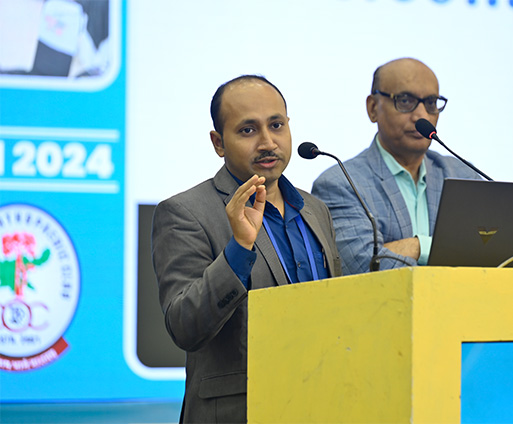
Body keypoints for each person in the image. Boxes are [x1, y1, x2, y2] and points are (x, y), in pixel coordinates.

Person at [151, 75, 342, 423]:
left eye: (277, 125)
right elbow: (184, 326)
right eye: (248, 130)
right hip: (240, 411)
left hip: (319, 402)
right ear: (218, 143)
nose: (268, 142)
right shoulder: (185, 212)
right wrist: (239, 248)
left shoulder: (315, 210)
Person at [312, 58, 480, 275]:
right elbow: (364, 267)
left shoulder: (464, 176)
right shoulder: (340, 184)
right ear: (373, 108)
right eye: (405, 101)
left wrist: (410, 247)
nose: (421, 116)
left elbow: (492, 257)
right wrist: (425, 247)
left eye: (431, 103)